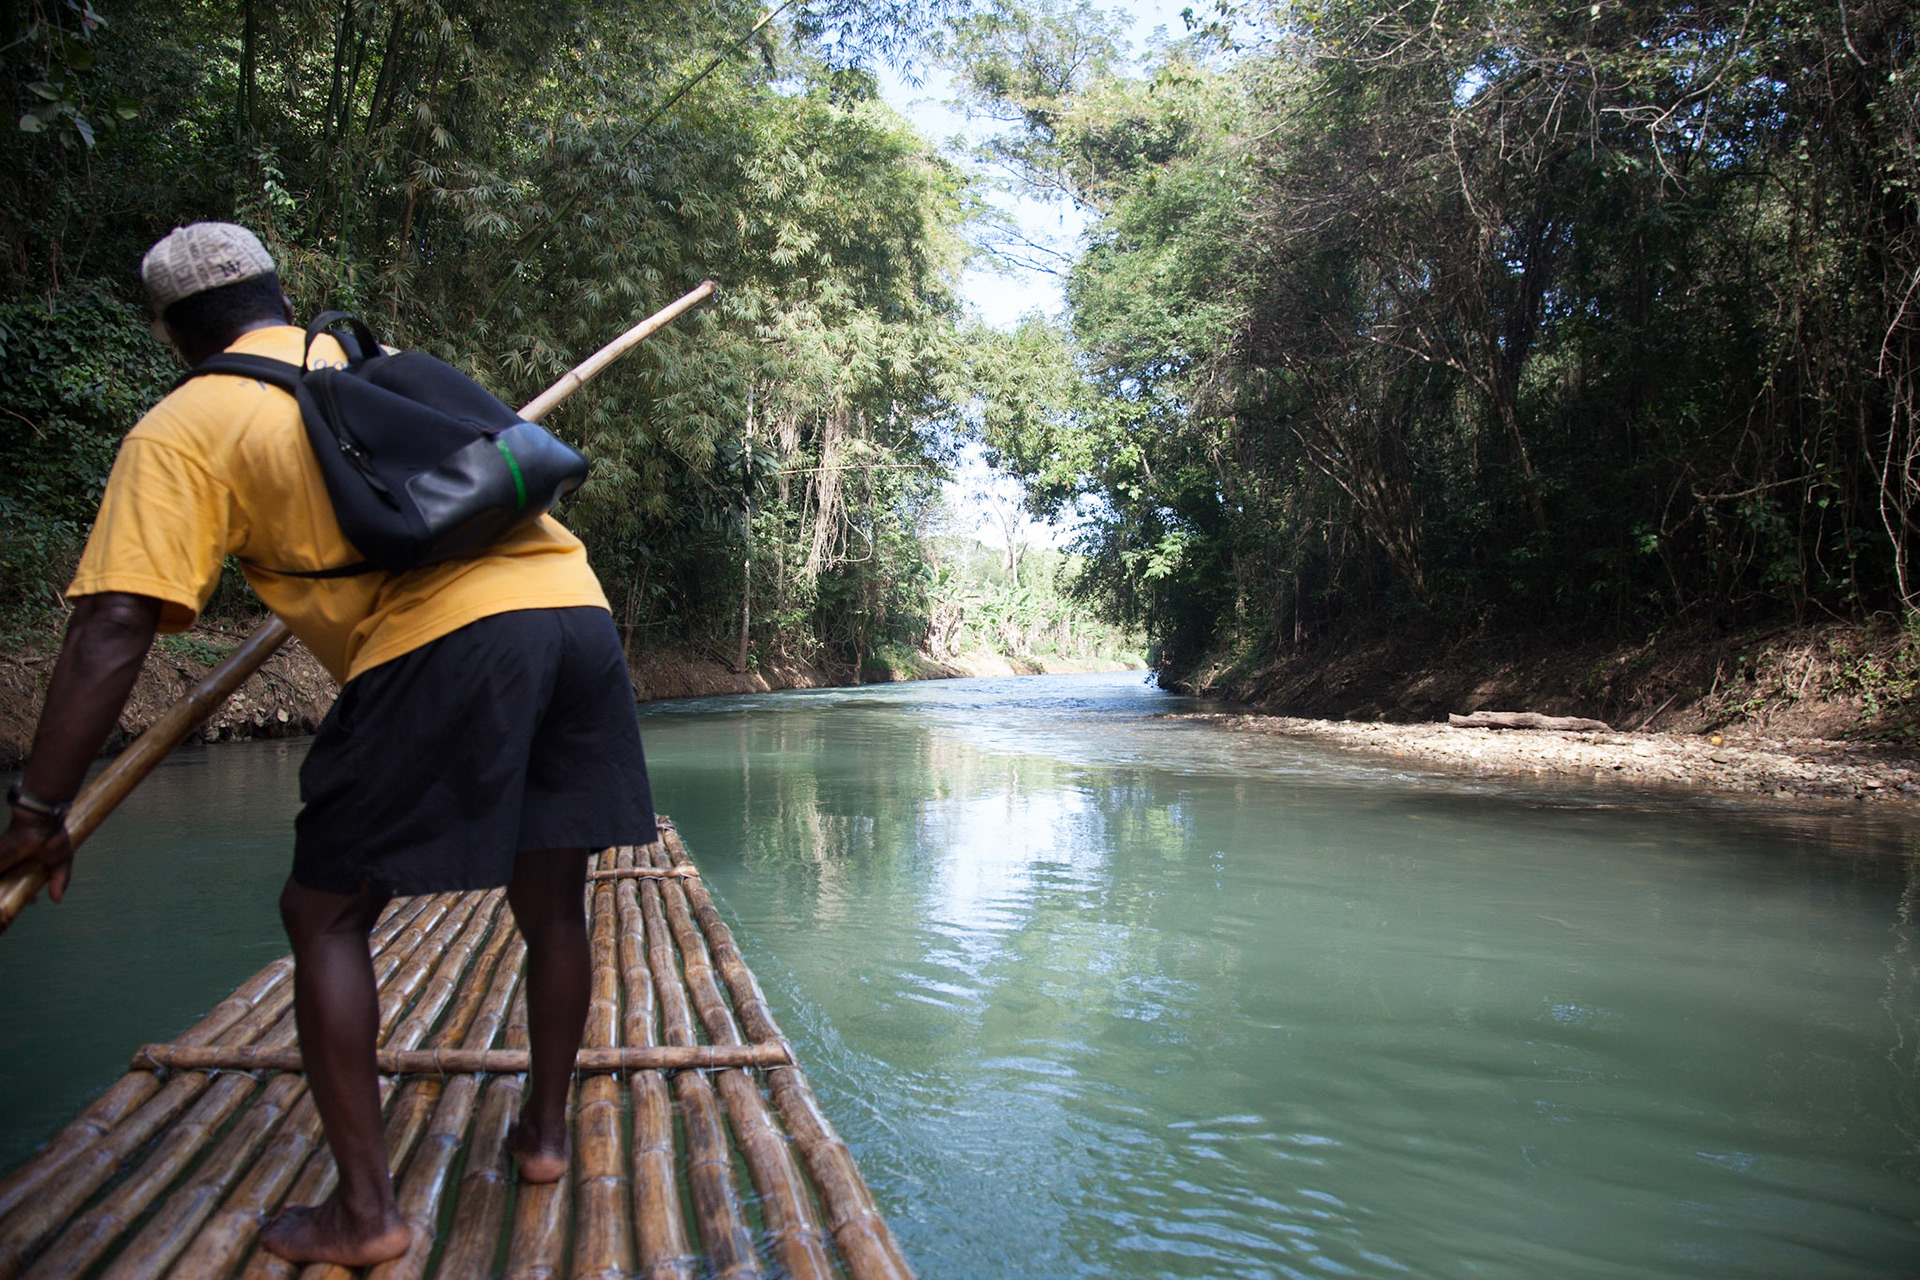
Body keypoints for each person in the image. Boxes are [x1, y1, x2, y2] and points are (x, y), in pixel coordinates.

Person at [0, 222, 655, 1267]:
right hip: (576, 610)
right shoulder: (363, 359)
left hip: (450, 637)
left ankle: (367, 1212)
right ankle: (540, 1136)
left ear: (173, 332)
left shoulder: (186, 424)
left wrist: (40, 809)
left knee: (326, 906)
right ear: (277, 292)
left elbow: (114, 623)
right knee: (552, 890)